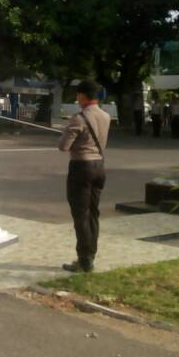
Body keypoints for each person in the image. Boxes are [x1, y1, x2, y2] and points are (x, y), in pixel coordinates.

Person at [58, 80, 110, 273]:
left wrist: (65, 133)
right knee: (93, 213)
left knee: (80, 214)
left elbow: (63, 146)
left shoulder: (78, 118)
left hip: (81, 167)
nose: (76, 98)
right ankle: (91, 254)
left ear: (83, 96)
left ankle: (84, 259)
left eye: (78, 94)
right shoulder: (105, 116)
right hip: (99, 166)